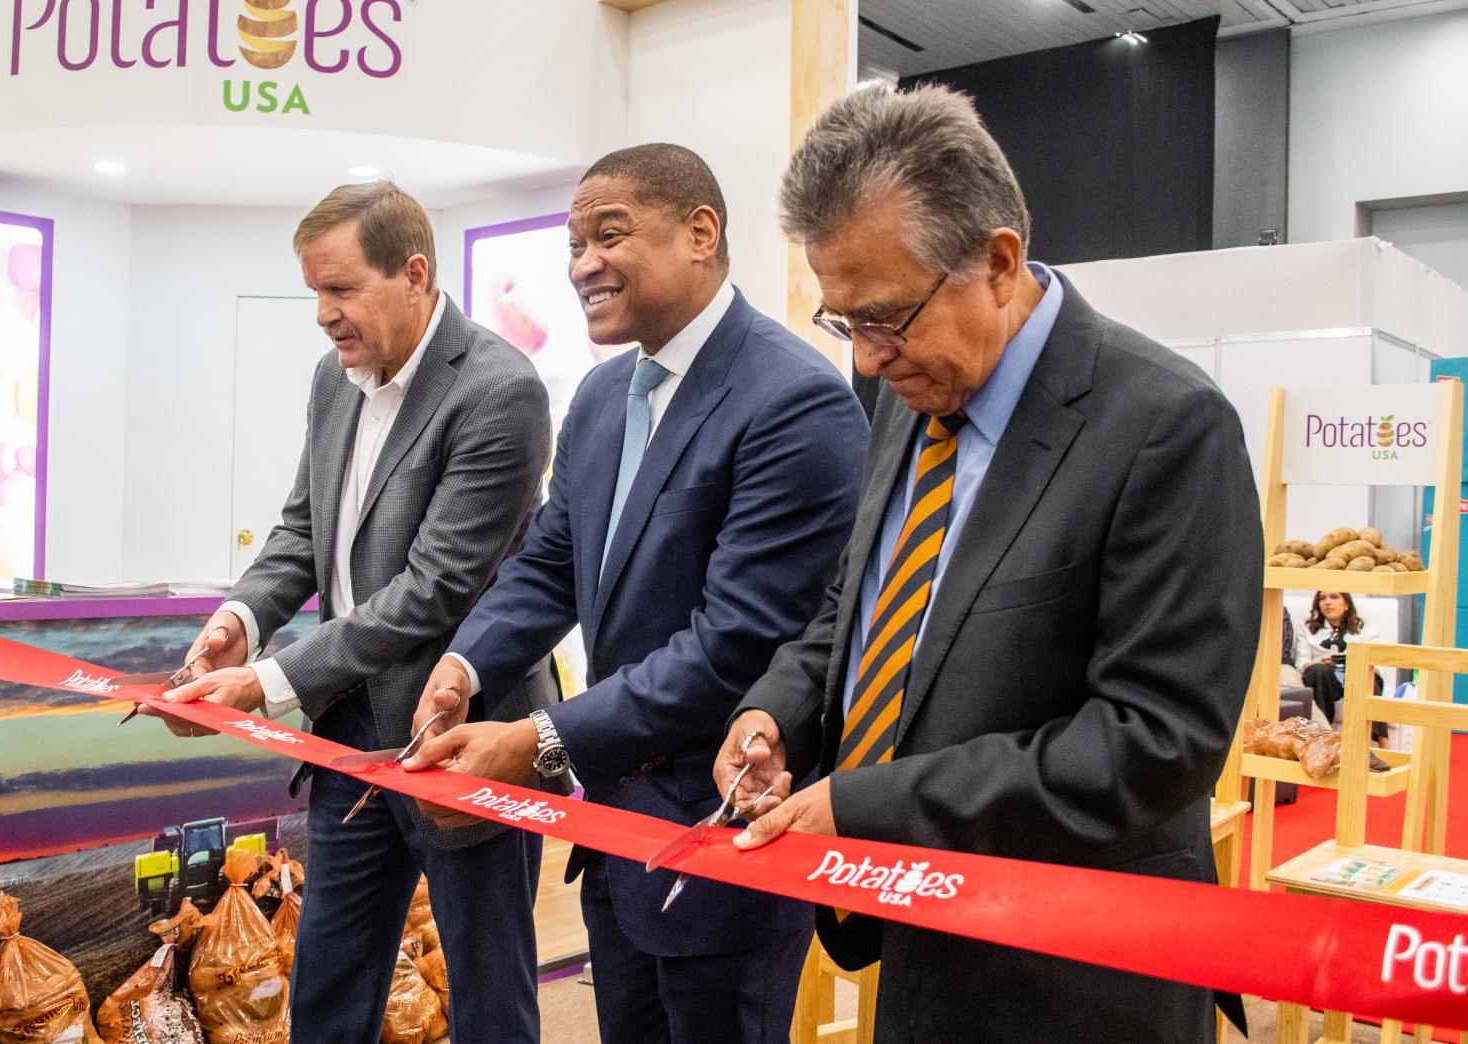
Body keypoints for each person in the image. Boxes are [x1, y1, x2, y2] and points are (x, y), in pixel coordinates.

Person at [717, 84, 1260, 1043]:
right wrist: (777, 710)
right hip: (919, 946)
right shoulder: (909, 391)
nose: (870, 359)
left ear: (1000, 262)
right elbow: (864, 601)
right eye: (844, 324)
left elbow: (1154, 743)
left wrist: (866, 803)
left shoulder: (1166, 426)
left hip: (1075, 980)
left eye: (884, 318)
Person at [402, 144, 869, 1043]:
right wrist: (466, 665)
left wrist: (539, 742)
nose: (582, 266)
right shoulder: (604, 394)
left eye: (607, 237)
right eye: (573, 245)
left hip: (723, 831)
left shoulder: (795, 401)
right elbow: (547, 564)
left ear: (701, 233)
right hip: (616, 837)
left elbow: (732, 643)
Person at [152, 181, 557, 1044]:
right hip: (347, 745)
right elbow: (303, 530)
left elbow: (434, 588)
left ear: (413, 275)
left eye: (340, 290)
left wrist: (265, 683)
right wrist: (241, 621)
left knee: (489, 999)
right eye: (314, 294)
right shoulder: (334, 382)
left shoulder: (499, 390)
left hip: (466, 742)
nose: (323, 316)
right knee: (329, 985)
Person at [1297, 589, 1388, 744]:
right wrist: (1315, 665)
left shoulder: (1364, 628)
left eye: (1334, 597)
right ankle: (1323, 738)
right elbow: (1301, 661)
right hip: (1325, 679)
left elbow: (1379, 663)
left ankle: (1384, 741)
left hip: (1354, 675)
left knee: (1365, 674)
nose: (1327, 602)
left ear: (1346, 603)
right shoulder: (1308, 628)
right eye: (1322, 598)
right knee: (1318, 671)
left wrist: (1349, 662)